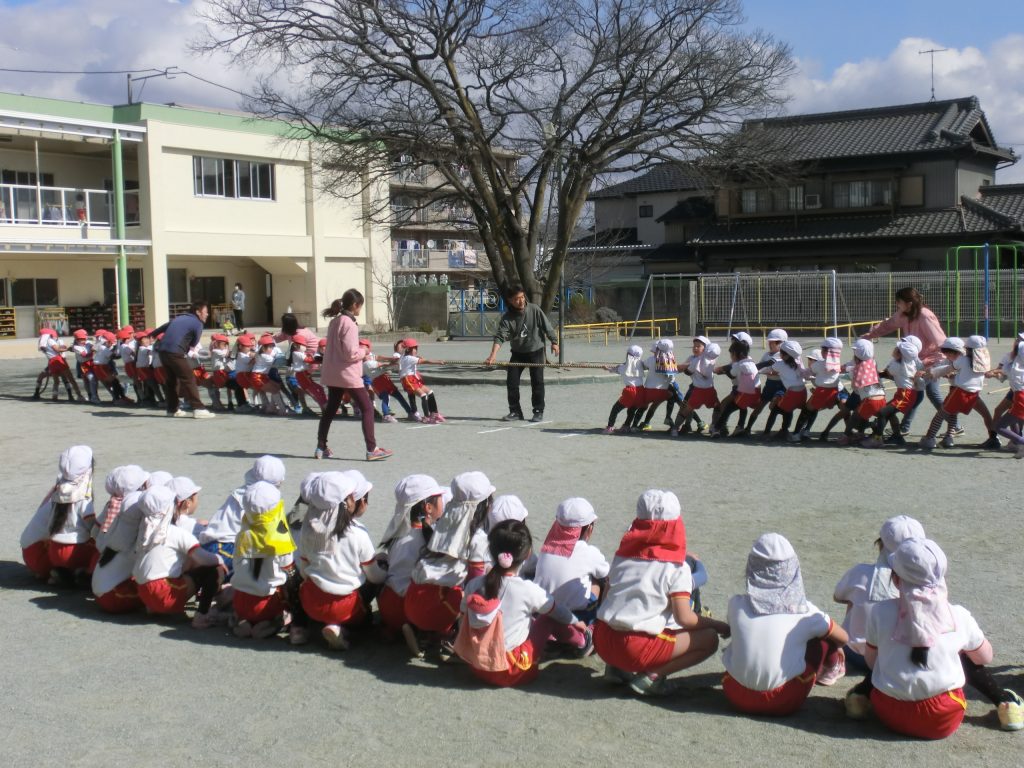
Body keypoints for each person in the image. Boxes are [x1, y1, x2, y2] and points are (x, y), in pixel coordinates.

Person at [847, 538, 1023, 737]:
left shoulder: (879, 612)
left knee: (889, 655)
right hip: (941, 717)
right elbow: (985, 658)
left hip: (888, 711)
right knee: (963, 655)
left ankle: (859, 698)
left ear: (896, 580)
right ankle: (1007, 706)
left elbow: (872, 663)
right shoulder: (958, 615)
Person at [593, 489, 730, 696]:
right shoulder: (676, 568)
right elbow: (685, 619)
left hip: (603, 639)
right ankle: (653, 677)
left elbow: (606, 600)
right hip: (634, 647)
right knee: (709, 639)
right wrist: (718, 625)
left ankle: (616, 668)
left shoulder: (622, 557)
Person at [721, 533, 848, 716]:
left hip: (734, 693)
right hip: (782, 699)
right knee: (822, 639)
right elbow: (844, 637)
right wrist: (837, 647)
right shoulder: (805, 611)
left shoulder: (736, 604)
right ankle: (830, 668)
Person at [455, 520, 589, 686]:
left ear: (491, 551)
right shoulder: (527, 589)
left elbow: (462, 613)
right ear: (528, 554)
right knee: (547, 618)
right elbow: (558, 612)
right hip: (510, 669)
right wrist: (576, 622)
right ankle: (582, 641)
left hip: (476, 664)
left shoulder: (474, 585)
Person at [297, 471, 386, 651]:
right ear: (349, 502)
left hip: (312, 601)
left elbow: (304, 570)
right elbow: (375, 576)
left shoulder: (307, 530)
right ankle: (342, 629)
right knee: (366, 616)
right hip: (345, 605)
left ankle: (319, 623)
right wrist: (385, 569)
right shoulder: (357, 534)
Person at [833, 516, 926, 673]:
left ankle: (858, 637)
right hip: (896, 657)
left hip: (856, 655)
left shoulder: (859, 572)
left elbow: (838, 597)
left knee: (853, 599)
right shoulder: (926, 582)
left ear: (880, 544)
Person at [861, 286, 960, 436]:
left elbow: (941, 342)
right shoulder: (904, 314)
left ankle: (901, 426)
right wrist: (870, 335)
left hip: (932, 360)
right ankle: (954, 425)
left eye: (898, 302)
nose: (897, 305)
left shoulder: (925, 316)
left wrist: (939, 364)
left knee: (915, 392)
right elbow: (888, 325)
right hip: (916, 361)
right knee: (928, 393)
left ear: (909, 303)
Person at [316, 289, 392, 462]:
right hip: (347, 373)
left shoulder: (335, 321)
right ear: (355, 305)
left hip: (332, 373)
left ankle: (321, 446)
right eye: (360, 306)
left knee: (330, 410)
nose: (360, 309)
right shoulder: (349, 323)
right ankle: (372, 449)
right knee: (367, 408)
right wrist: (363, 351)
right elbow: (350, 354)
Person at [132, 486, 224, 628]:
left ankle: (153, 608)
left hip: (143, 592)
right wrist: (220, 559)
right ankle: (201, 616)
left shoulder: (142, 531)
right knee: (215, 569)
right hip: (163, 591)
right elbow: (205, 559)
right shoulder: (174, 532)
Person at [377, 474, 448, 654]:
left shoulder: (397, 533)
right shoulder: (434, 539)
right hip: (414, 608)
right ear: (428, 507)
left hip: (389, 605)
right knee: (450, 593)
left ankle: (391, 629)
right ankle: (431, 635)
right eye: (439, 498)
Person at [231, 481, 297, 640]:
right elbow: (289, 569)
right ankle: (275, 623)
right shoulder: (280, 538)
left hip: (241, 598)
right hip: (268, 603)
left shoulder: (243, 535)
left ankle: (241, 621)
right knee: (291, 585)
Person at [20, 445, 96, 583]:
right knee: (97, 547)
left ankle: (56, 573)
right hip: (45, 551)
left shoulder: (58, 491)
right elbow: (92, 526)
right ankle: (82, 572)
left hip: (36, 552)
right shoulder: (82, 497)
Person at [485, 284, 559, 423]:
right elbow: (500, 337)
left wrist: (554, 342)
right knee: (511, 382)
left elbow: (547, 326)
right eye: (516, 299)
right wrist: (493, 355)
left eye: (522, 297)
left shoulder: (535, 310)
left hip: (536, 351)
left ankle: (538, 411)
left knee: (537, 382)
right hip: (518, 353)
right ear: (510, 301)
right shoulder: (507, 318)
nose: (521, 301)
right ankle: (515, 411)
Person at [151, 300, 215, 419]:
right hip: (176, 352)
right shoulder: (197, 323)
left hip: (162, 352)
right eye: (205, 312)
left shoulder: (179, 318)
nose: (207, 314)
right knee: (189, 378)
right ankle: (198, 408)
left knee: (171, 381)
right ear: (198, 312)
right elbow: (194, 342)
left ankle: (172, 409)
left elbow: (162, 327)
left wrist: (152, 335)